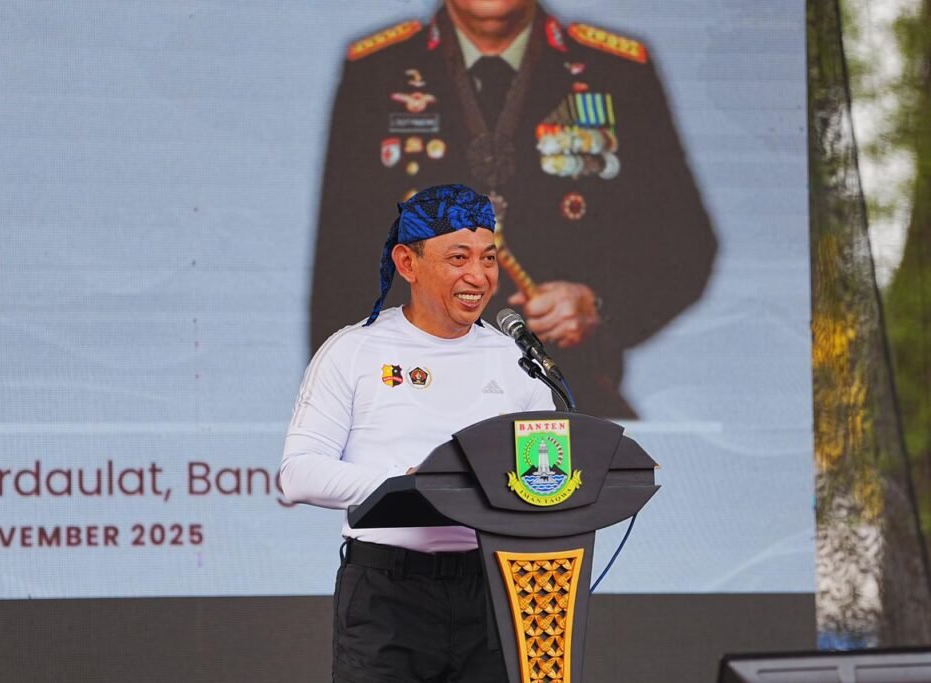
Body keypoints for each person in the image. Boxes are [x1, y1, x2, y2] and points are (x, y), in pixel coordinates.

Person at [311, 0, 717, 418]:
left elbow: (686, 247)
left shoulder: (614, 72)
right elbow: (338, 269)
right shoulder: (377, 71)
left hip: (565, 397)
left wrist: (600, 307)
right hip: (412, 402)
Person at [281, 184, 555, 682]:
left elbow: (547, 472)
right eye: (458, 258)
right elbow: (298, 474)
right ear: (407, 263)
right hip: (388, 594)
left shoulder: (517, 361)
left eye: (488, 257)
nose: (479, 276)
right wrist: (409, 486)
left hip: (494, 592)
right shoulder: (354, 350)